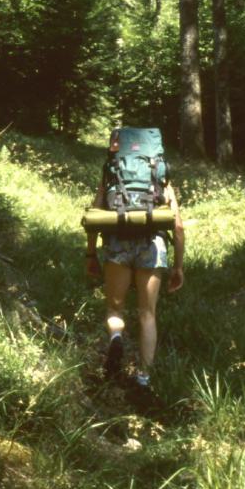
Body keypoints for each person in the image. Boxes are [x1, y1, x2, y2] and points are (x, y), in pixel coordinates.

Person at [85, 133, 185, 395]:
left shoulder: (111, 172)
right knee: (147, 313)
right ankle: (143, 379)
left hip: (117, 242)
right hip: (152, 244)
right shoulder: (160, 175)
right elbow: (178, 226)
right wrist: (178, 267)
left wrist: (91, 255)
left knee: (115, 308)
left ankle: (116, 337)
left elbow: (94, 216)